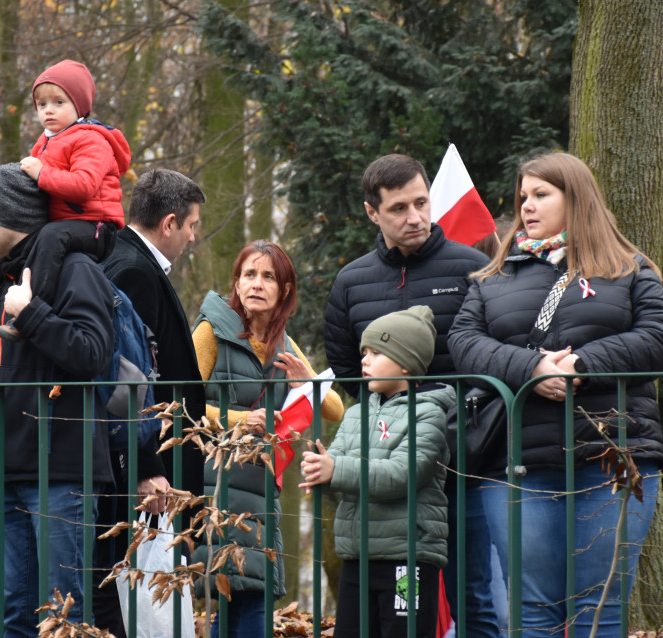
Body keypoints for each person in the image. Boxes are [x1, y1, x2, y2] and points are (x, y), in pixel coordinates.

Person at [447, 152, 663, 637]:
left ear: (577, 198)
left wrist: (581, 366)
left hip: (614, 456)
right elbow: (464, 343)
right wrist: (531, 367)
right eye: (523, 197)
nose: (526, 206)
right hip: (518, 462)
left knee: (603, 607)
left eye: (541, 194)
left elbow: (659, 335)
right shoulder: (494, 277)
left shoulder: (629, 268)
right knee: (533, 610)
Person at [324, 153, 500, 637]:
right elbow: (348, 372)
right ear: (371, 212)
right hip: (386, 483)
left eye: (422, 202)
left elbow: (494, 356)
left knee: (475, 595)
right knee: (390, 613)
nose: (416, 216)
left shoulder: (475, 269)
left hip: (465, 464)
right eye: (399, 208)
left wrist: (463, 422)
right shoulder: (351, 283)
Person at [0, 163, 114, 636]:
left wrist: (32, 314)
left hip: (64, 470)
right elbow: (4, 376)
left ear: (11, 215)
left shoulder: (74, 269)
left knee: (63, 615)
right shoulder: (4, 277)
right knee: (16, 617)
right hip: (12, 466)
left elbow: (91, 354)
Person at [191, 240, 344, 638]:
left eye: (268, 276)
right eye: (249, 275)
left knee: (248, 596)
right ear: (237, 284)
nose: (256, 284)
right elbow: (179, 404)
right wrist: (242, 420)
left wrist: (305, 382)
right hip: (215, 488)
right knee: (234, 596)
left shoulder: (284, 345)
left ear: (285, 290)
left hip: (261, 496)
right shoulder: (211, 331)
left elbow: (335, 410)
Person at [95, 168, 208, 636]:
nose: (194, 237)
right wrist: (143, 466)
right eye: (192, 226)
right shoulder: (133, 272)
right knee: (129, 603)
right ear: (168, 223)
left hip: (150, 465)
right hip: (145, 473)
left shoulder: (131, 261)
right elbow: (128, 379)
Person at [301, 305, 451, 638]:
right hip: (358, 554)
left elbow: (403, 474)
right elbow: (337, 466)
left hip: (407, 557)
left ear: (406, 362)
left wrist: (335, 469)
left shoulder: (428, 414)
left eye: (376, 352)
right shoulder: (357, 413)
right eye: (363, 352)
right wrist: (318, 471)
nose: (364, 360)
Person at [0, 58, 130, 341]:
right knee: (10, 247)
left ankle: (32, 310)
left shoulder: (91, 139)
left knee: (51, 236)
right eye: (42, 104)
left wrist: (41, 174)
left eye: (58, 102)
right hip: (63, 224)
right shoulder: (45, 140)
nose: (48, 110)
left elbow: (84, 186)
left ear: (79, 105)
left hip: (95, 226)